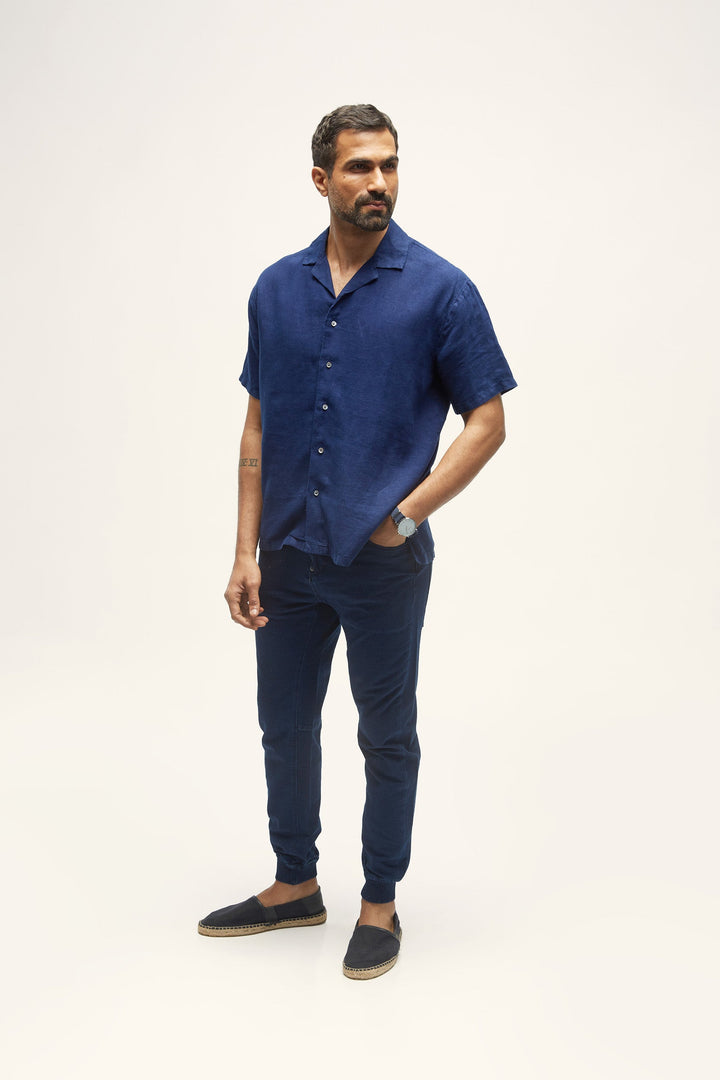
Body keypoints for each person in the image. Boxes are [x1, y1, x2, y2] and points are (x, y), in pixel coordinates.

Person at [198, 104, 516, 979]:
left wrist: (404, 516)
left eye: (390, 165)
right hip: (286, 555)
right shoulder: (275, 288)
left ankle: (380, 902)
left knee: (386, 735)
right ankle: (295, 883)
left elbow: (488, 422)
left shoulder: (440, 289)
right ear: (321, 179)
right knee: (283, 726)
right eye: (359, 167)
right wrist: (243, 551)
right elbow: (258, 425)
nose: (379, 182)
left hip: (382, 564)